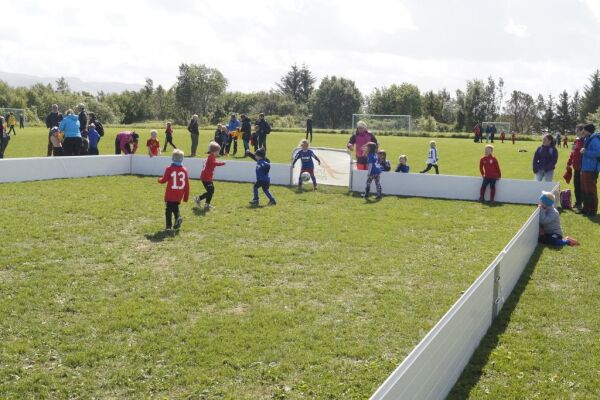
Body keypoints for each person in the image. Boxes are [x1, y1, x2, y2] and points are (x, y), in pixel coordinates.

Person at [158, 149, 189, 230]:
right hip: (179, 194)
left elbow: (164, 180)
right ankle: (178, 218)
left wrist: (159, 180)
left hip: (170, 193)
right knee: (175, 207)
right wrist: (186, 197)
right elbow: (187, 185)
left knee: (168, 209)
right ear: (182, 159)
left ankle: (168, 226)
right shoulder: (184, 170)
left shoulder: (169, 168)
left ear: (172, 158)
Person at [195, 141, 226, 210]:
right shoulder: (211, 157)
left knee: (211, 191)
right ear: (214, 151)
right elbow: (214, 163)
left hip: (207, 177)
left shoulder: (211, 156)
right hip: (206, 177)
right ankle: (198, 198)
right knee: (211, 191)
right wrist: (222, 163)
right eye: (218, 151)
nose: (218, 153)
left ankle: (206, 205)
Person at [579, 123, 600, 217]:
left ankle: (592, 210)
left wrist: (586, 152)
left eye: (584, 129)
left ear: (587, 130)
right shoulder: (588, 138)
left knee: (591, 189)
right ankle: (586, 208)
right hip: (585, 168)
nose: (582, 131)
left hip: (591, 168)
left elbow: (598, 152)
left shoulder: (594, 139)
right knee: (584, 189)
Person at [567, 124, 585, 209]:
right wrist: (569, 162)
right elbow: (572, 152)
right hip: (576, 167)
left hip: (583, 168)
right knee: (576, 185)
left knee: (581, 186)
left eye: (577, 130)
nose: (575, 131)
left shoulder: (585, 141)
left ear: (582, 131)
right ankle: (578, 202)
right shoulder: (576, 140)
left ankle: (581, 204)